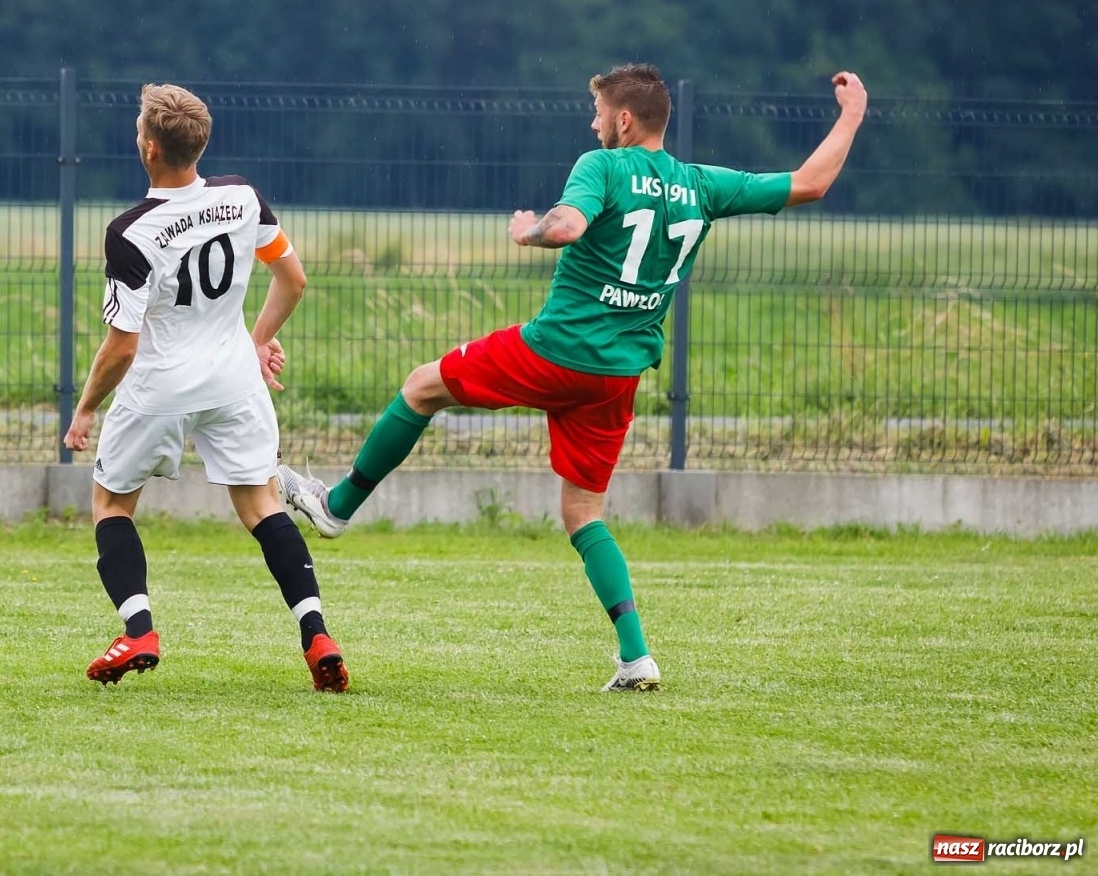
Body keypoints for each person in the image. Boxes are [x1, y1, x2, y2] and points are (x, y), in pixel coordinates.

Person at [279, 64, 867, 691]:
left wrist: (526, 231)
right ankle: (636, 656)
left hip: (556, 352)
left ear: (623, 120)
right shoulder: (701, 184)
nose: (593, 124)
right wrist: (853, 114)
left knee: (422, 387)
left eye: (598, 114)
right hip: (616, 377)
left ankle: (336, 507)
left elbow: (565, 227)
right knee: (584, 511)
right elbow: (811, 183)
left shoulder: (602, 166)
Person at [63, 83, 348, 692]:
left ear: (148, 148)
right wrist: (257, 340)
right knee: (263, 505)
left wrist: (85, 408)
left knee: (111, 505)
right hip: (232, 382)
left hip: (160, 388)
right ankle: (317, 634)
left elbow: (122, 345)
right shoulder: (241, 197)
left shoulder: (130, 233)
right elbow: (292, 279)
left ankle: (139, 631)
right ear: (199, 144)